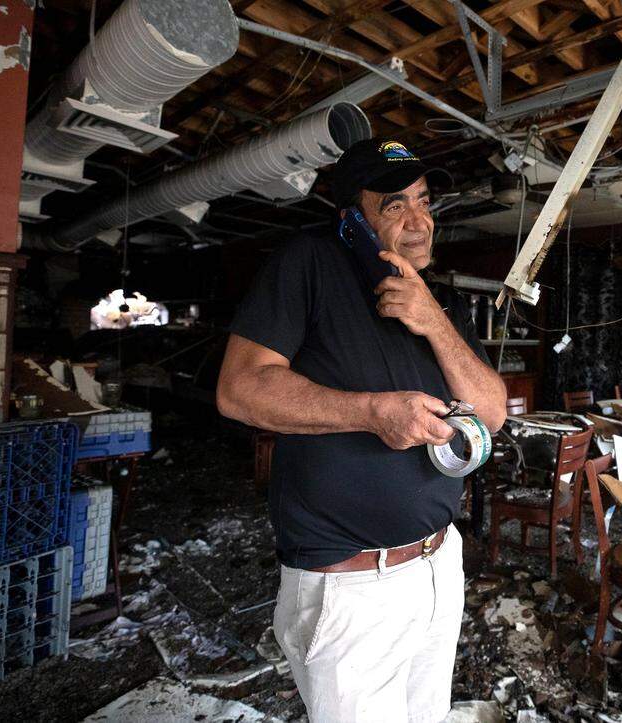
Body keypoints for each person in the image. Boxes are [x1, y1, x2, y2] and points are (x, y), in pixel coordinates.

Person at [216, 138, 506, 722]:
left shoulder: (434, 299)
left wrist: (432, 320)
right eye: (395, 206)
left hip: (438, 566)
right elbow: (239, 389)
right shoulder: (310, 264)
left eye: (424, 202)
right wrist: (373, 412)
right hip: (350, 585)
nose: (419, 222)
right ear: (352, 219)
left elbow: (493, 413)